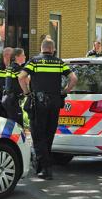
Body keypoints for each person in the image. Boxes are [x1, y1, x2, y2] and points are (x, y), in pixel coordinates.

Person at [18, 39, 77, 180]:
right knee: (49, 134)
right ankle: (41, 165)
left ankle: (46, 169)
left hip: (39, 103)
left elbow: (21, 77)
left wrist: (27, 93)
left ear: (41, 48)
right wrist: (64, 91)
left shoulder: (35, 62)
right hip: (55, 102)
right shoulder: (59, 62)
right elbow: (73, 78)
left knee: (38, 135)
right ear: (53, 49)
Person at [2, 48, 27, 126]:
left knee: (11, 124)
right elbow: (25, 80)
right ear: (17, 57)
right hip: (13, 100)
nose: (25, 57)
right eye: (23, 55)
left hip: (9, 99)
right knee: (18, 125)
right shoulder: (16, 68)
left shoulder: (11, 67)